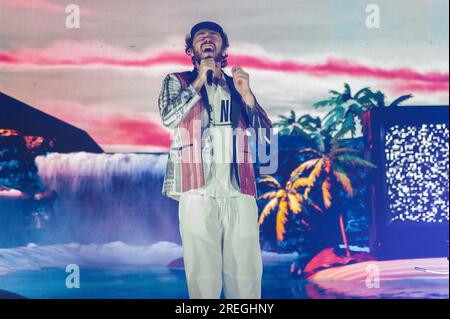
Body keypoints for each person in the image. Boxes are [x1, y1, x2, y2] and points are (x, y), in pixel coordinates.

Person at [158, 21, 272, 299]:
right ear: (191, 49)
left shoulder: (238, 86)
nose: (207, 38)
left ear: (223, 47)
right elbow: (170, 118)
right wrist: (199, 80)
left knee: (246, 276)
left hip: (239, 190)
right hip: (196, 189)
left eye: (214, 36)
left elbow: (266, 136)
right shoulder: (178, 81)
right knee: (203, 278)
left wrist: (247, 95)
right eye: (200, 36)